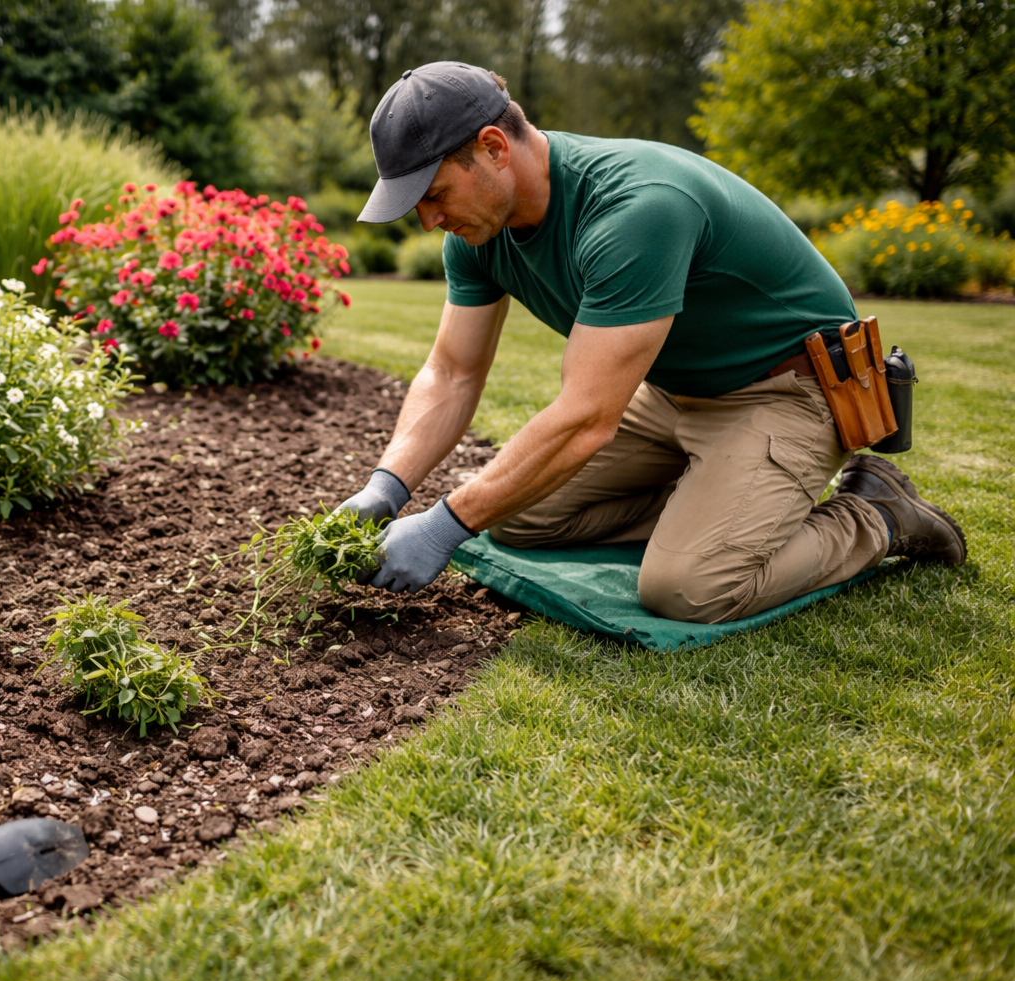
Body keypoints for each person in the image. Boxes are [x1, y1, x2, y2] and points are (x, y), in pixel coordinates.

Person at [338, 62, 966, 623]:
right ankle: (723, 508)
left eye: (434, 194)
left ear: (494, 147)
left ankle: (877, 514)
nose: (428, 220)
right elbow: (451, 372)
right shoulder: (478, 235)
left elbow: (587, 416)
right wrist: (387, 487)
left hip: (786, 389)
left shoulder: (634, 208)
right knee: (514, 517)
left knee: (686, 588)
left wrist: (446, 523)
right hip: (676, 392)